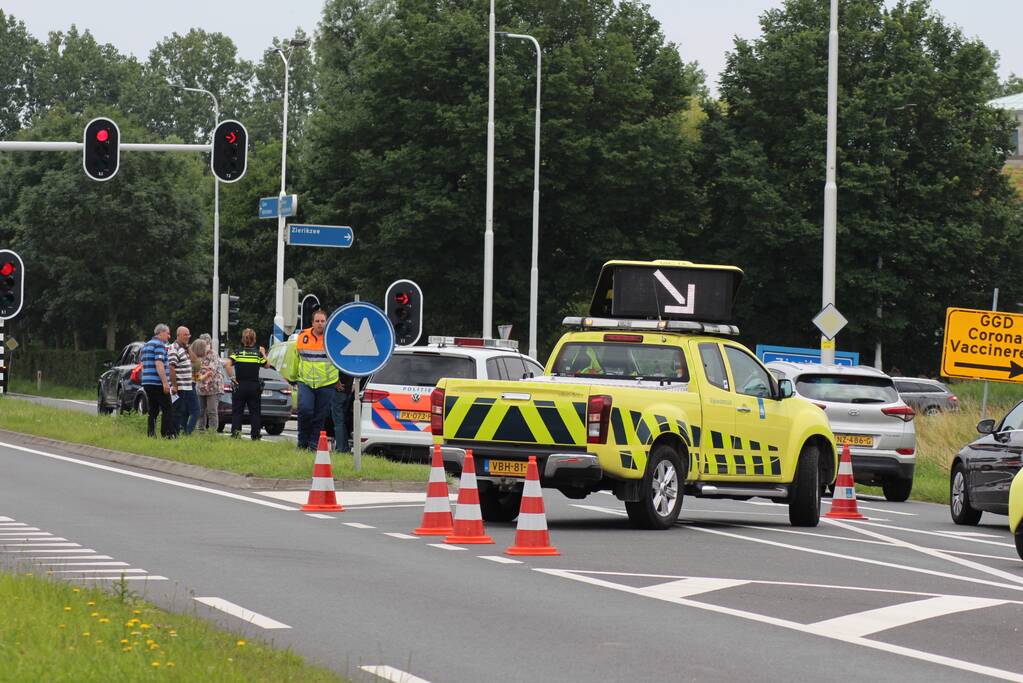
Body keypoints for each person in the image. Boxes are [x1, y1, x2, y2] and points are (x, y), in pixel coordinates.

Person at [295, 310, 339, 450]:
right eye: (317, 321)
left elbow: (340, 360)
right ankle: (302, 442)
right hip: (305, 381)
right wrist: (290, 376)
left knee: (320, 416)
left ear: (326, 322)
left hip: (326, 384)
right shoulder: (302, 336)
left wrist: (339, 380)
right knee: (305, 410)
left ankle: (313, 445)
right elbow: (295, 357)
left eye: (323, 321)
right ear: (312, 323)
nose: (320, 324)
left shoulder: (332, 338)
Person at [227, 327, 268, 440]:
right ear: (254, 339)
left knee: (237, 412)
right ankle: (255, 435)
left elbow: (227, 365)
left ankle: (236, 434)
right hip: (254, 386)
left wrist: (232, 378)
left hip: (240, 385)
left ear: (243, 339)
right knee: (255, 412)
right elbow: (267, 365)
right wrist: (263, 353)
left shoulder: (238, 352)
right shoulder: (257, 354)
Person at [140, 323, 173, 438]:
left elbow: (142, 364)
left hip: (147, 382)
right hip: (158, 382)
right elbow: (159, 364)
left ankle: (151, 433)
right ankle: (167, 434)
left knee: (153, 409)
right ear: (161, 333)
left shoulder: (146, 346)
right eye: (168, 333)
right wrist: (165, 382)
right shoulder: (159, 345)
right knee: (167, 407)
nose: (169, 336)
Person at [168, 326, 200, 436]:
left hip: (187, 386)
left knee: (181, 411)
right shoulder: (174, 348)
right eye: (185, 335)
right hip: (180, 386)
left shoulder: (184, 348)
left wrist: (188, 347)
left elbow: (195, 361)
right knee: (177, 412)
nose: (187, 337)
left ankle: (178, 433)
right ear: (178, 335)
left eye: (188, 335)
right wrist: (174, 386)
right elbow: (171, 367)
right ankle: (174, 434)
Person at [194, 338, 224, 432]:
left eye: (206, 344)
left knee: (212, 410)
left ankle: (212, 432)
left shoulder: (213, 354)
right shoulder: (198, 354)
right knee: (200, 410)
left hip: (213, 387)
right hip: (200, 386)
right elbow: (195, 370)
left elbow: (211, 370)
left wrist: (203, 369)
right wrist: (203, 370)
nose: (205, 347)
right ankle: (200, 430)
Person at [330, 370, 355, 452]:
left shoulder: (338, 358)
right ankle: (344, 447)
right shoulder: (351, 358)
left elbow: (333, 368)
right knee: (342, 421)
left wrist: (336, 381)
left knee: (338, 422)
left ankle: (340, 448)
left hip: (339, 389)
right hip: (348, 389)